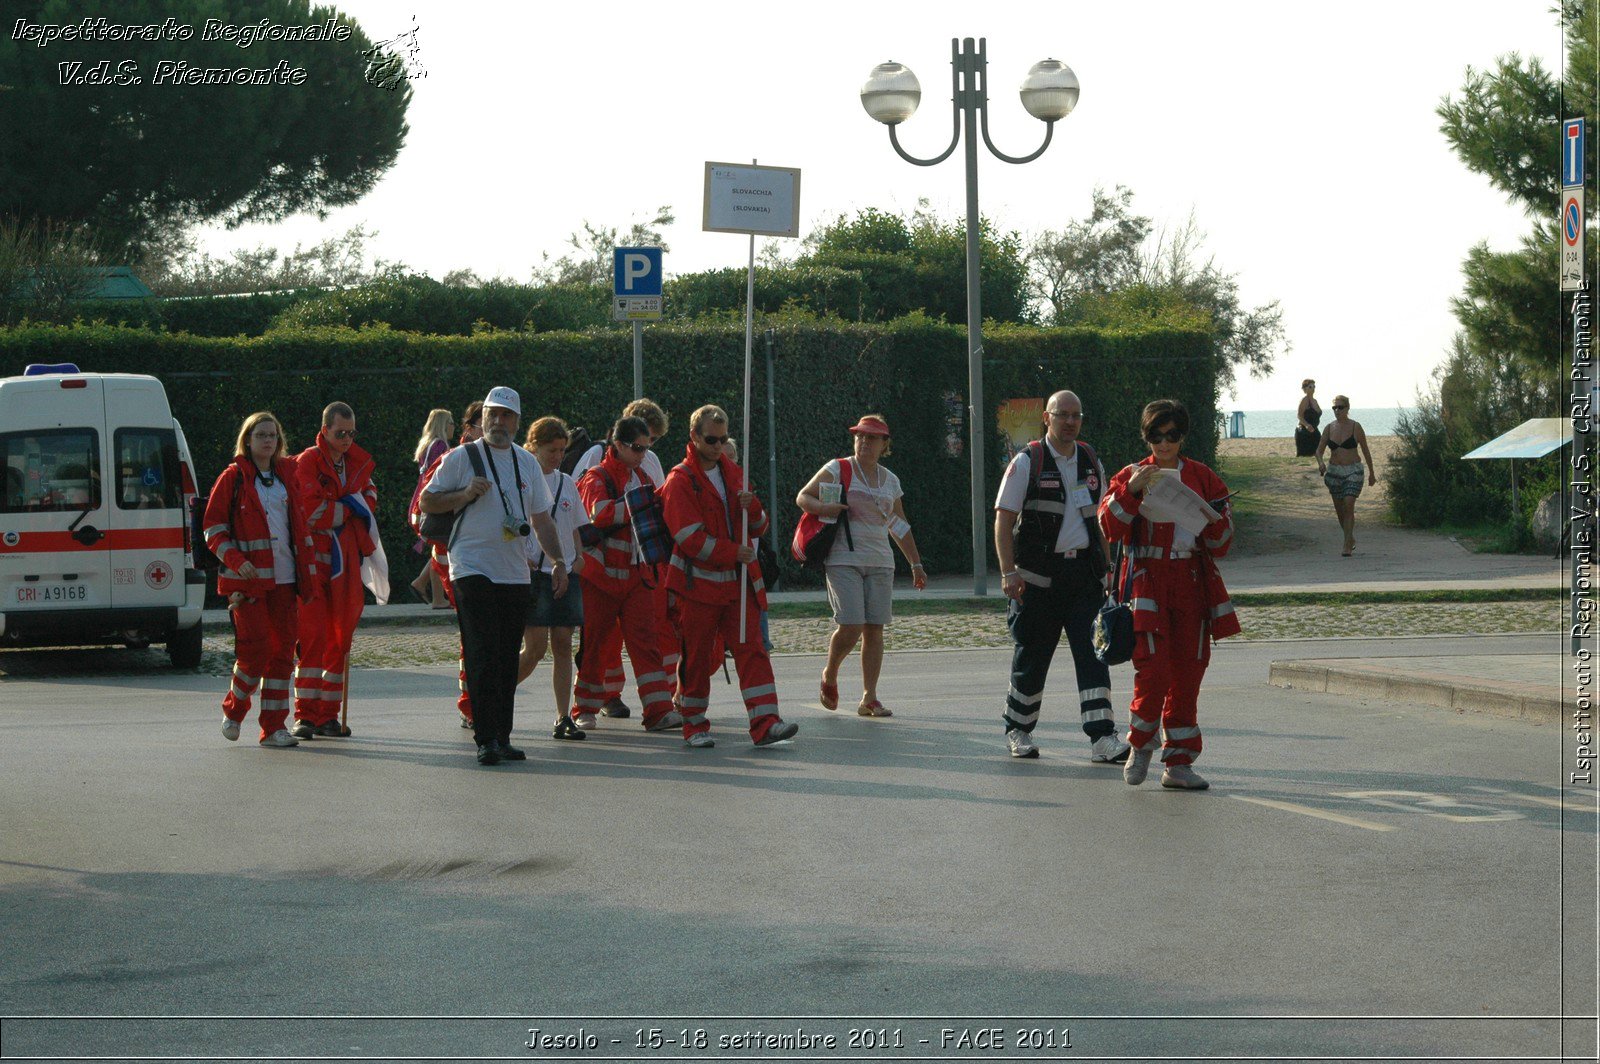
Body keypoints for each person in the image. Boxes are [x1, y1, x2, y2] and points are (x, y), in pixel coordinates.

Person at [419, 386, 569, 766]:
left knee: (505, 658)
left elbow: (540, 518)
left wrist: (559, 561)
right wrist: (465, 494)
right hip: (471, 567)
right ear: (482, 417)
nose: (498, 422)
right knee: (482, 653)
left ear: (517, 422)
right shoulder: (460, 458)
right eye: (492, 414)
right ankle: (485, 738)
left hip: (515, 572)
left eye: (506, 415)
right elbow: (427, 501)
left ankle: (502, 736)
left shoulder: (527, 463)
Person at [1098, 398, 1239, 790]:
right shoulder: (1130, 474)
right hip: (1148, 581)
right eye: (1156, 436)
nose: (1164, 444)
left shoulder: (1203, 477)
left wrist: (1213, 521)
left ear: (1183, 437)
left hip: (1192, 581)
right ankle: (1140, 744)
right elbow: (1109, 527)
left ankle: (1178, 762)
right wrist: (1131, 490)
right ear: (1146, 436)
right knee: (1154, 670)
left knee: (1189, 672)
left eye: (1172, 436)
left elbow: (1224, 541)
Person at [993, 391, 1131, 763]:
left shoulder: (1089, 459)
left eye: (1076, 415)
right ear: (1046, 417)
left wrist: (1107, 568)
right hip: (1037, 580)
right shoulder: (1027, 462)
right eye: (1062, 415)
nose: (1070, 421)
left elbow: (1101, 519)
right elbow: (1003, 519)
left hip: (1083, 579)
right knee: (1032, 655)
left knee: (1093, 656)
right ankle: (1018, 730)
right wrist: (1008, 572)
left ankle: (1103, 739)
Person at [660, 405, 798, 749]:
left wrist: (753, 508)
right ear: (694, 436)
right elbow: (688, 537)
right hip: (698, 586)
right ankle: (693, 725)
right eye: (711, 439)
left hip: (739, 584)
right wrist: (731, 552)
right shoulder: (679, 479)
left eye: (722, 439)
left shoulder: (735, 471)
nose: (718, 445)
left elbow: (759, 526)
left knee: (753, 650)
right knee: (697, 656)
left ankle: (766, 723)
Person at [796, 414, 926, 717]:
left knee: (874, 628)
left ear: (884, 444)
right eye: (860, 436)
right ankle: (830, 673)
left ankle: (869, 697)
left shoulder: (890, 480)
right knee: (851, 624)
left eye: (871, 437)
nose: (864, 441)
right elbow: (803, 497)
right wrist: (823, 507)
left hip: (881, 561)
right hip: (843, 558)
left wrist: (916, 564)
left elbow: (899, 525)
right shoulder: (838, 468)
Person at [205, 413, 319, 748]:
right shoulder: (234, 477)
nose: (267, 441)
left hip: (285, 581)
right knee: (254, 652)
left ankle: (273, 728)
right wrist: (237, 562)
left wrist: (308, 574)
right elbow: (212, 528)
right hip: (249, 584)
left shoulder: (288, 475)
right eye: (260, 435)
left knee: (283, 653)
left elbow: (299, 528)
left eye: (272, 435)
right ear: (248, 440)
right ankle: (234, 710)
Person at [571, 416, 682, 733]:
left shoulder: (643, 474)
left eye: (646, 448)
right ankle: (585, 709)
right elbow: (599, 513)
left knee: (647, 644)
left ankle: (659, 710)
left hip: (637, 576)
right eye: (637, 448)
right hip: (601, 578)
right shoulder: (596, 477)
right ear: (617, 445)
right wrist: (642, 503)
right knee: (595, 646)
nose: (642, 454)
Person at [289, 402, 378, 740]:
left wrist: (347, 508)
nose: (346, 439)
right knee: (311, 639)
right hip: (313, 566)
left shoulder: (354, 461)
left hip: (344, 565)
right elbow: (309, 511)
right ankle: (305, 716)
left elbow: (369, 496)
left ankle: (328, 715)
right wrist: (348, 511)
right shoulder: (308, 461)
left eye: (351, 433)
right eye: (340, 433)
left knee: (340, 637)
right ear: (324, 430)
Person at [517, 417, 590, 741]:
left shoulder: (567, 482)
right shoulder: (523, 481)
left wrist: (579, 556)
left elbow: (573, 524)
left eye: (562, 450)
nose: (558, 456)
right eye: (552, 449)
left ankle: (564, 716)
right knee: (534, 649)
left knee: (563, 643)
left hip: (566, 572)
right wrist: (522, 555)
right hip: (534, 573)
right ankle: (490, 702)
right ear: (533, 447)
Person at [1315, 394, 1377, 557]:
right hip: (1334, 472)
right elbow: (1319, 450)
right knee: (1339, 509)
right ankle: (1349, 537)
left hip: (1353, 471)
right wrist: (1321, 463)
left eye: (1340, 407)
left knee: (1349, 503)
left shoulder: (1356, 427)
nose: (1337, 410)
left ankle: (1346, 545)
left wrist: (1372, 473)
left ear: (1347, 408)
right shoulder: (1329, 428)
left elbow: (1365, 450)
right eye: (1334, 407)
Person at [409, 408, 455, 607]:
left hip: (417, 504)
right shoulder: (441, 446)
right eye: (451, 422)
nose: (454, 426)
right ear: (444, 425)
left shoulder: (426, 445)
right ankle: (438, 597)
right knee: (441, 549)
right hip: (429, 504)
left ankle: (421, 582)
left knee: (439, 548)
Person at [1295, 379, 1322, 458]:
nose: (1313, 388)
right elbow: (1299, 415)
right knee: (1305, 455)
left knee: (1317, 452)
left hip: (1314, 430)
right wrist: (1306, 425)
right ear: (1305, 389)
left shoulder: (1315, 401)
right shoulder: (1304, 400)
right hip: (1304, 431)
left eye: (1314, 386)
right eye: (1310, 386)